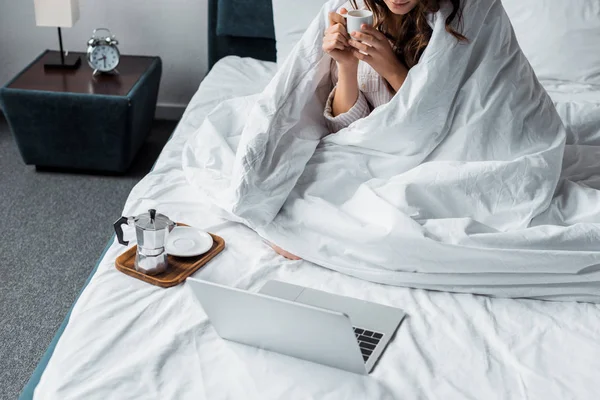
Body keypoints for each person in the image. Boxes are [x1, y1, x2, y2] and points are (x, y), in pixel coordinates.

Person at [271, 0, 467, 260]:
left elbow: (442, 120)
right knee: (290, 203)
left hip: (426, 152)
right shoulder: (353, 16)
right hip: (363, 151)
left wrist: (392, 69)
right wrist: (346, 66)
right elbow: (346, 127)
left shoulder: (448, 22)